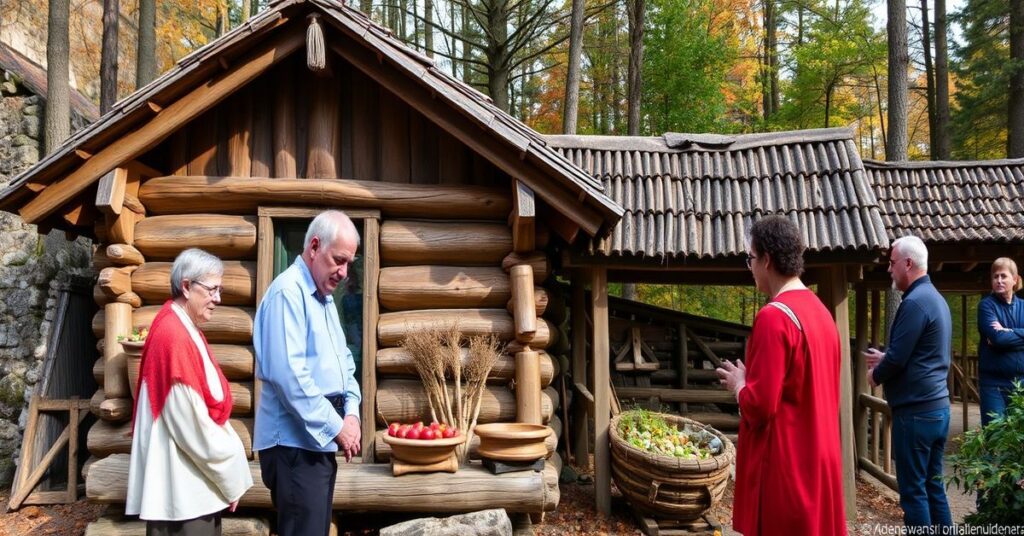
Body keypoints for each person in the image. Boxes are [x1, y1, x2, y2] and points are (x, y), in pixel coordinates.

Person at [716, 215, 846, 536]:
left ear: (767, 260)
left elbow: (760, 407)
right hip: (821, 463)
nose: (751, 268)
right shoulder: (822, 314)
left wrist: (739, 385)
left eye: (751, 259)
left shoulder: (774, 318)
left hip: (787, 468)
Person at [126, 248, 252, 536]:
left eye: (220, 289)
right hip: (184, 493)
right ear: (186, 286)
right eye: (212, 289)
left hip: (187, 487)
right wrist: (231, 475)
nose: (218, 298)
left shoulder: (177, 325)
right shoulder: (174, 337)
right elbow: (192, 428)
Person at [253, 210, 362, 536]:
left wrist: (353, 414)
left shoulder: (324, 299)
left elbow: (346, 363)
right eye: (338, 260)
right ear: (314, 247)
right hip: (294, 448)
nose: (343, 272)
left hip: (317, 443)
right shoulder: (288, 293)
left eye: (348, 264)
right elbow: (290, 378)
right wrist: (337, 426)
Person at [864, 235, 952, 529]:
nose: (889, 269)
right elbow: (916, 351)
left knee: (914, 492)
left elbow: (900, 358)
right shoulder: (935, 299)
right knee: (933, 487)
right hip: (937, 407)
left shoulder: (914, 302)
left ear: (908, 263)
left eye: (892, 263)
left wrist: (876, 374)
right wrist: (886, 356)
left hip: (916, 413)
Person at [977, 257, 1024, 425]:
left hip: (1021, 384)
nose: (999, 280)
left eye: (1003, 276)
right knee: (994, 436)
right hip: (993, 385)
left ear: (1015, 279)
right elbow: (998, 338)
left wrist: (1009, 332)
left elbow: (1003, 337)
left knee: (1017, 440)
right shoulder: (986, 306)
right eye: (995, 277)